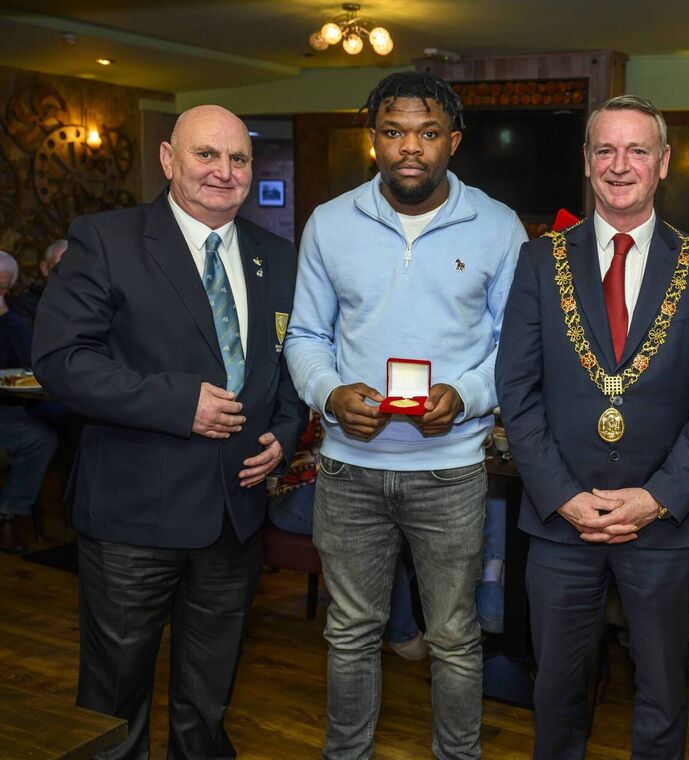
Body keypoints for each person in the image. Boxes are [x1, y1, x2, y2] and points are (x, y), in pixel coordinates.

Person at [32, 104, 307, 759]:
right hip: (134, 513)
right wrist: (178, 403)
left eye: (237, 158)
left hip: (234, 516)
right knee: (113, 696)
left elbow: (290, 363)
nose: (224, 172)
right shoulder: (107, 238)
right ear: (167, 159)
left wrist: (287, 431)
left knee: (208, 697)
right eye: (205, 155)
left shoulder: (278, 256)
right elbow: (60, 360)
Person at [284, 71, 525, 759]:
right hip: (348, 470)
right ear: (373, 139)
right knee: (351, 632)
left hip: (450, 474)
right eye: (393, 132)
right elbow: (305, 336)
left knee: (453, 635)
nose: (409, 148)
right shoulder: (330, 222)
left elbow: (515, 347)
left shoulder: (498, 225)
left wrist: (469, 395)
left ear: (453, 139)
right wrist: (329, 394)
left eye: (425, 132)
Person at [496, 94, 689, 760]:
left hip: (661, 525)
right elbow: (516, 392)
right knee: (556, 690)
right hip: (558, 523)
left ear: (663, 163)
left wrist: (657, 497)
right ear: (586, 161)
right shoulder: (539, 261)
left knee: (662, 693)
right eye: (605, 149)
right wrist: (564, 495)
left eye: (637, 150)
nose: (620, 164)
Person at [267, 412, 429, 659]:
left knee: (406, 523)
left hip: (338, 481)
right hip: (289, 492)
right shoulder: (300, 388)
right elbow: (295, 433)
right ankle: (401, 633)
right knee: (378, 536)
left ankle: (395, 618)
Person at [0, 249, 57, 554]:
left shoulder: (11, 319)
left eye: (3, 288)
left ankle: (9, 513)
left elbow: (28, 360)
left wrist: (6, 317)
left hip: (7, 405)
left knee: (44, 437)